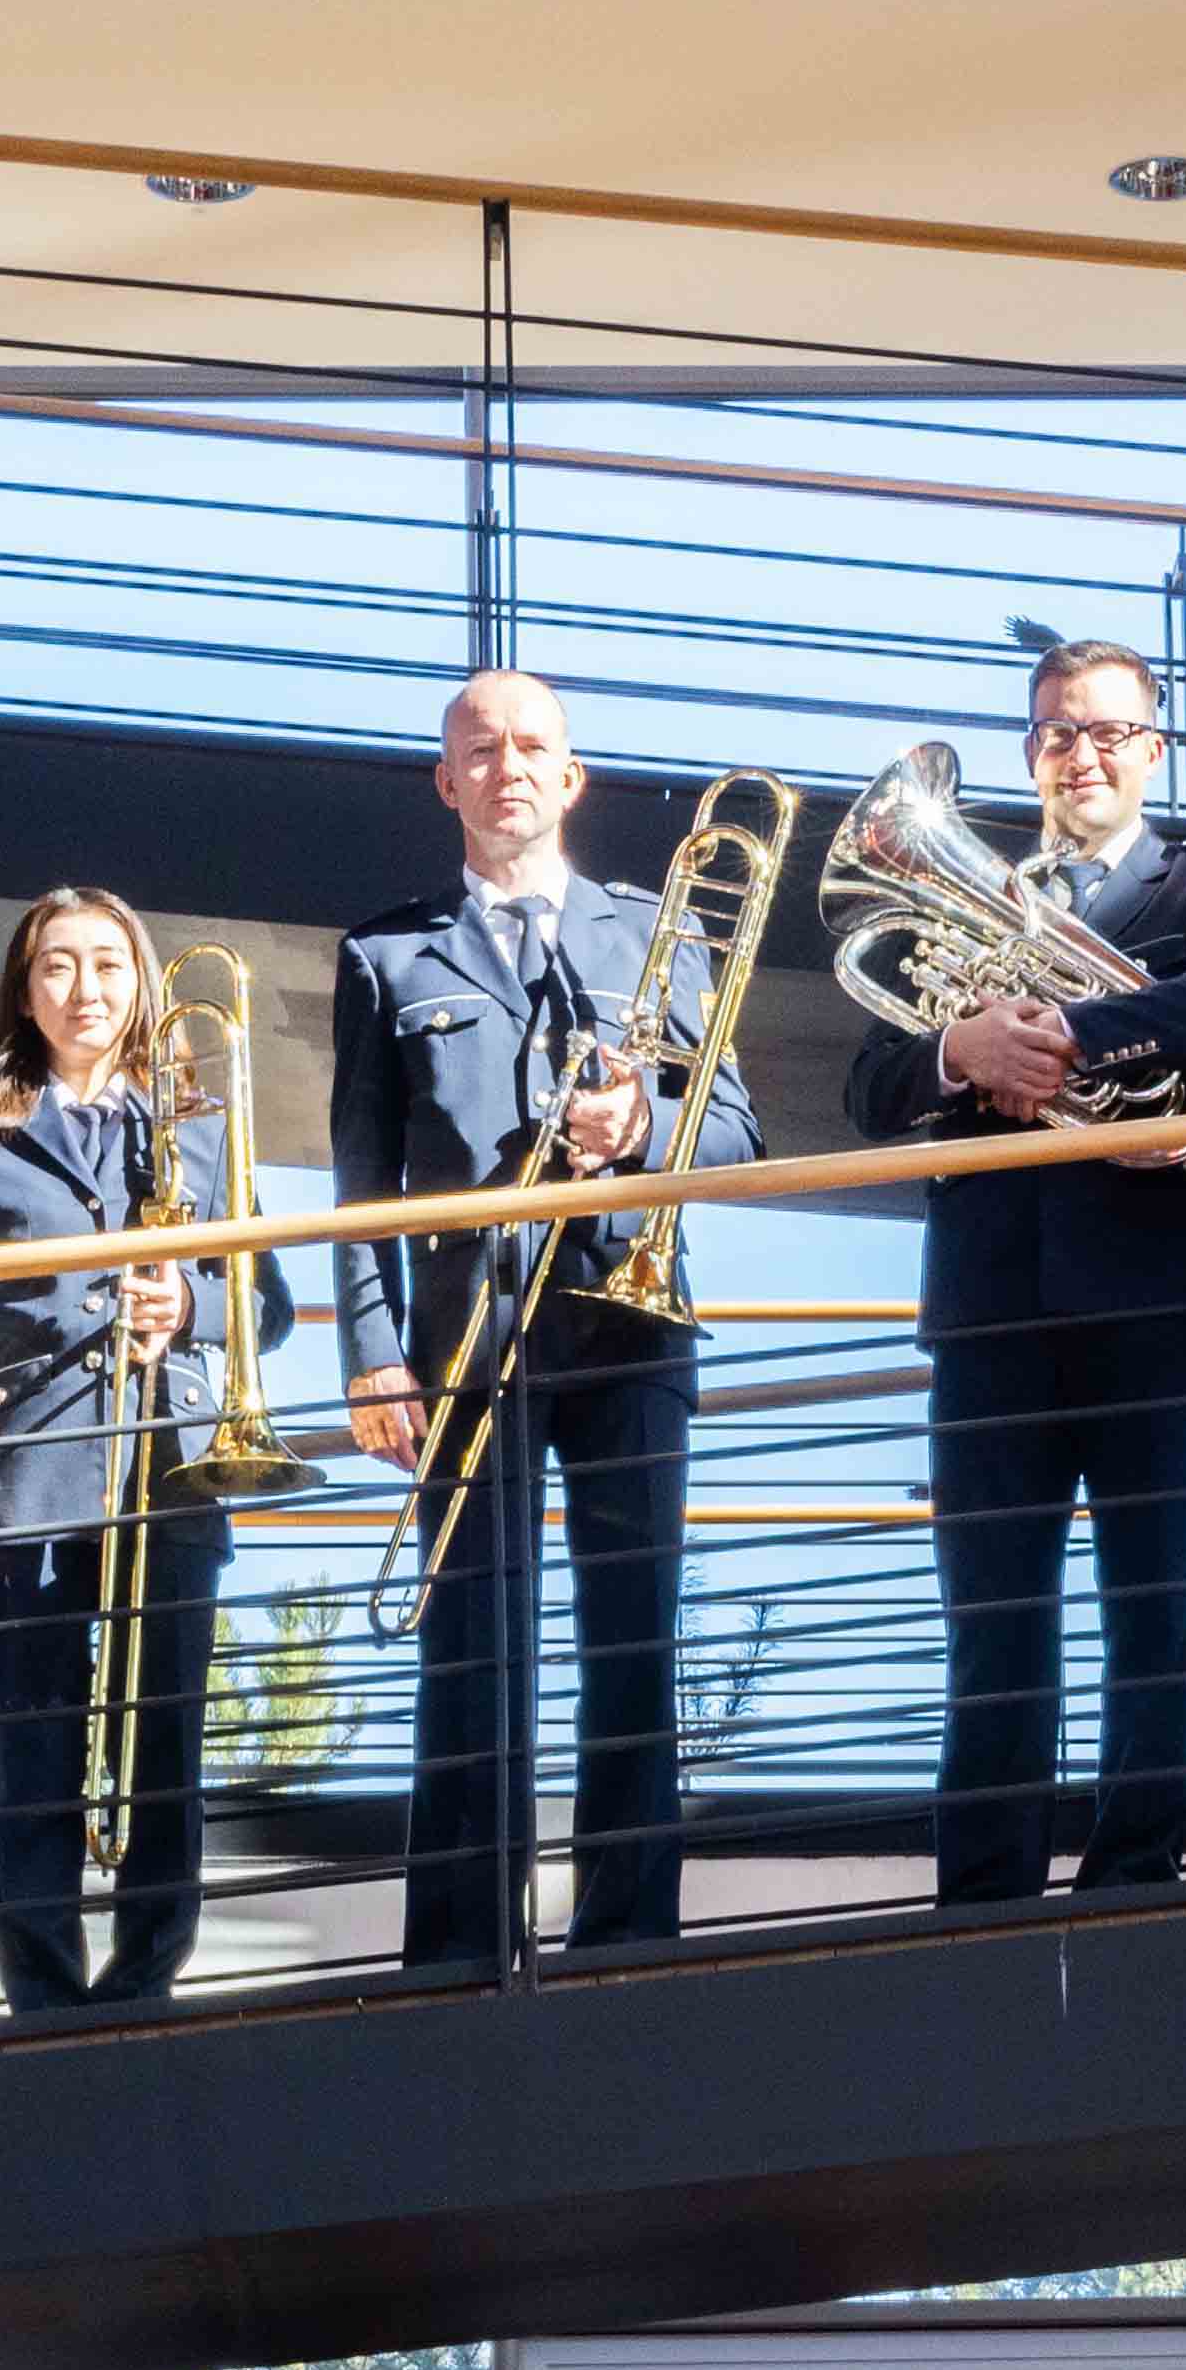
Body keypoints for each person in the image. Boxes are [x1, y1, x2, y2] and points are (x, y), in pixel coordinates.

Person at [846, 636, 1186, 1897]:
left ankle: (1131, 1877)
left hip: (1157, 1303)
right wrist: (960, 1050)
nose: (1079, 753)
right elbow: (869, 1088)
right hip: (989, 1311)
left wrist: (1063, 1031)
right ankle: (982, 1894)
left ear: (1152, 749)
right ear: (1029, 751)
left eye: (1106, 732)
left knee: (1151, 1607)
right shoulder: (968, 895)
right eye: (1056, 731)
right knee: (990, 1620)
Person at [328, 665, 764, 1965]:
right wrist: (371, 1355)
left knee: (633, 1641)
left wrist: (643, 1125)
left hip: (632, 1321)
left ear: (570, 779)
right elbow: (359, 1182)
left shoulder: (652, 932)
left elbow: (737, 1135)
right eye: (480, 748)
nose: (506, 766)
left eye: (530, 747)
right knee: (471, 1649)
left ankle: (627, 1936)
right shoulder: (383, 954)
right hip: (465, 1339)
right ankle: (459, 1949)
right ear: (444, 780)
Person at [0, 884, 235, 2015]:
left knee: (164, 1745)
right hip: (26, 1471)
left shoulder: (198, 1124)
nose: (84, 988)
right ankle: (41, 2003)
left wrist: (187, 1306)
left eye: (106, 963)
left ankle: (145, 1984)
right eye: (57, 965)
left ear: (140, 981)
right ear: (24, 990)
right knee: (33, 1748)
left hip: (168, 1464)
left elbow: (264, 1302)